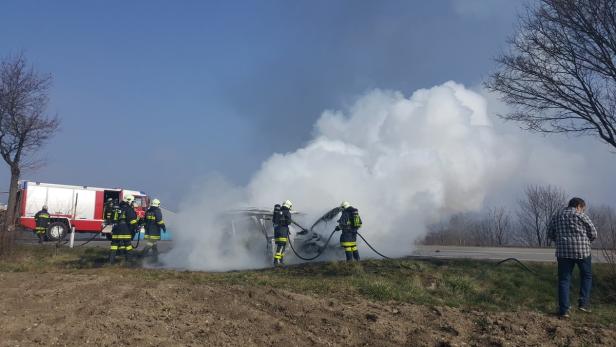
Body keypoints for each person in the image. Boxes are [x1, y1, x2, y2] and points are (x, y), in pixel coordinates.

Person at [547, 197, 597, 318]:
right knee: (586, 276)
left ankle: (564, 310)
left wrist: (561, 241)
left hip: (563, 253)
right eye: (583, 208)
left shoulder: (557, 215)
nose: (583, 211)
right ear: (579, 206)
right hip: (582, 252)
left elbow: (550, 233)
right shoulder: (581, 215)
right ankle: (583, 304)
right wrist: (586, 241)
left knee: (564, 280)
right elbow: (594, 233)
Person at [109, 194, 139, 264]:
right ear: (128, 201)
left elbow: (111, 219)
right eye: (132, 201)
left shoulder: (116, 208)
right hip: (125, 230)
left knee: (114, 246)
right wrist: (137, 227)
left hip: (116, 230)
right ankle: (129, 262)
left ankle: (111, 262)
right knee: (128, 246)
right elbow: (132, 220)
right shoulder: (128, 209)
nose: (132, 203)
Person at [272, 200, 293, 265]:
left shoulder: (278, 212)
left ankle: (280, 261)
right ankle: (276, 261)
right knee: (282, 246)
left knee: (281, 246)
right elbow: (289, 222)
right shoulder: (287, 212)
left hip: (277, 232)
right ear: (288, 206)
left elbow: (274, 221)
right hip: (283, 231)